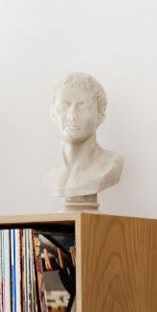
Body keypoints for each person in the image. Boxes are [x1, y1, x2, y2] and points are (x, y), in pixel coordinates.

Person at [46, 71, 124, 209]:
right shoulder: (52, 174)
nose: (72, 116)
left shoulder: (111, 165)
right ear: (52, 113)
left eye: (82, 106)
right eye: (64, 105)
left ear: (101, 115)